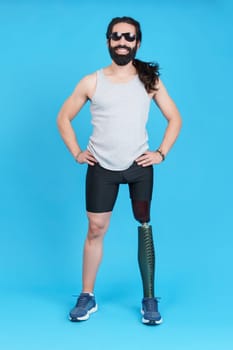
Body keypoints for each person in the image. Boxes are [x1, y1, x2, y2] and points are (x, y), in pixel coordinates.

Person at [57, 16, 182, 325]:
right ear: (108, 41)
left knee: (144, 226)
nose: (122, 42)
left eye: (129, 37)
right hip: (102, 167)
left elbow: (175, 118)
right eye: (116, 37)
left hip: (138, 168)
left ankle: (149, 299)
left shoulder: (149, 80)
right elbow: (63, 118)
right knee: (96, 229)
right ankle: (87, 296)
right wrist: (76, 152)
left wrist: (161, 153)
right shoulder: (92, 81)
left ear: (137, 42)